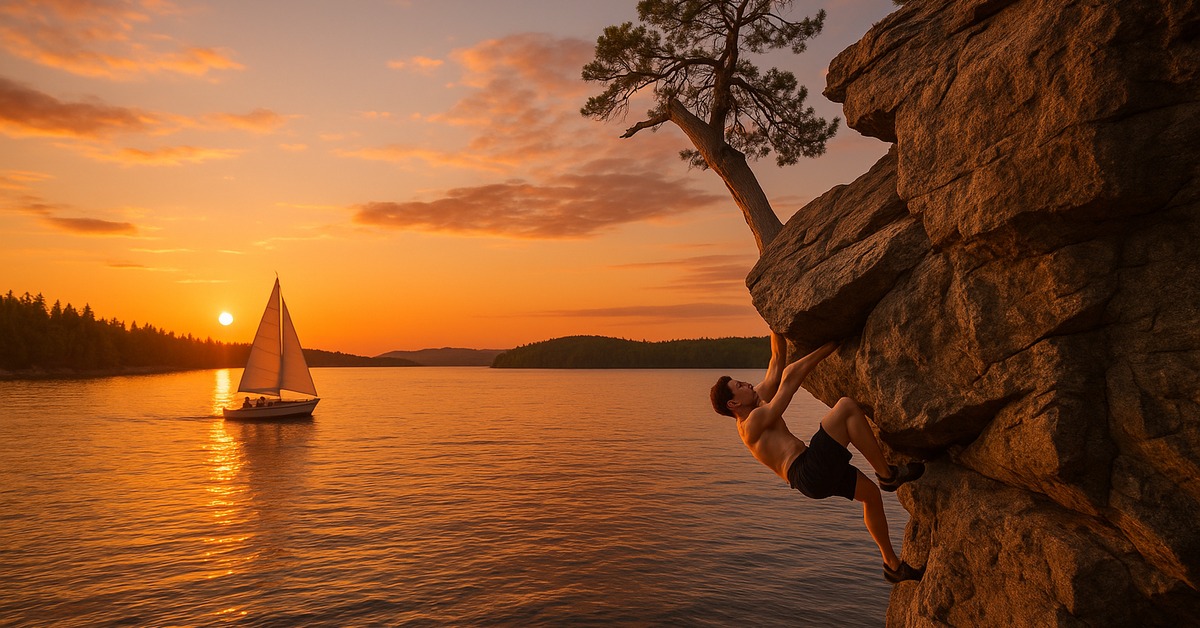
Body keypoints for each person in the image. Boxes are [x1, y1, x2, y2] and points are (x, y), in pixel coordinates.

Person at [710, 332, 926, 583]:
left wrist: (775, 325)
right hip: (807, 470)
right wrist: (831, 345)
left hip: (810, 478)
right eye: (740, 386)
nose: (748, 384)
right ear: (733, 404)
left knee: (870, 497)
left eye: (742, 381)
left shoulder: (756, 400)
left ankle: (893, 566)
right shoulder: (751, 424)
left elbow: (777, 361)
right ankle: (887, 475)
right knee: (845, 407)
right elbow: (789, 379)